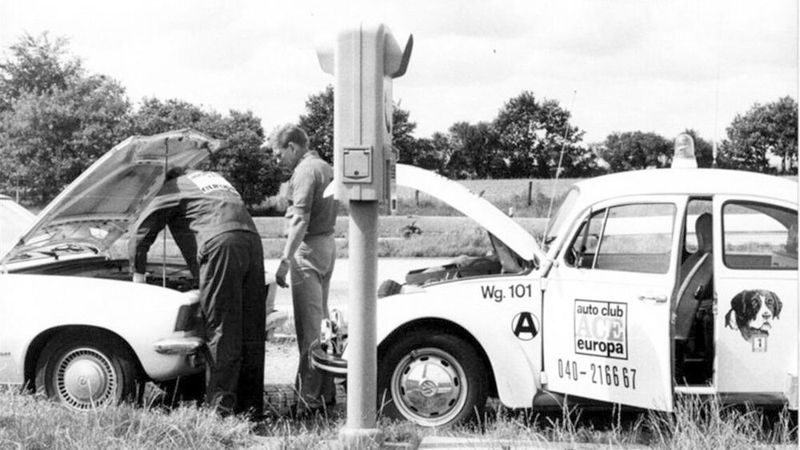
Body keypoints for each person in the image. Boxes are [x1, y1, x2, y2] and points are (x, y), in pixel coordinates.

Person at [129, 167, 265, 418]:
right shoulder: (211, 179)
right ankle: (251, 410)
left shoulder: (173, 187)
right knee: (251, 329)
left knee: (222, 329)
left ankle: (220, 413)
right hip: (252, 242)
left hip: (220, 245)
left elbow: (141, 231)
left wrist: (138, 275)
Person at [270, 124, 337, 414]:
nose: (277, 160)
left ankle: (307, 400)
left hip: (307, 249)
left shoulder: (305, 172)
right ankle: (326, 392)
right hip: (327, 244)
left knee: (309, 330)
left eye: (278, 154)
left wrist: (285, 260)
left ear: (292, 147)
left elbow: (299, 220)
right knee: (322, 325)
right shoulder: (325, 167)